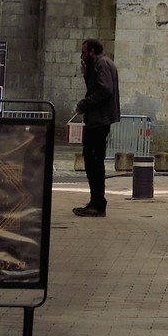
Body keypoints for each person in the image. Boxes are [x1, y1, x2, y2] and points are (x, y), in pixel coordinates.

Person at [72, 37, 120, 217]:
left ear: (92, 51)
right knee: (92, 160)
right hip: (97, 119)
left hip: (99, 120)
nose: (82, 55)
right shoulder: (99, 65)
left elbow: (104, 89)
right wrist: (86, 72)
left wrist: (84, 104)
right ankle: (95, 201)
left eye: (84, 52)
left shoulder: (102, 64)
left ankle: (98, 203)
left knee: (94, 161)